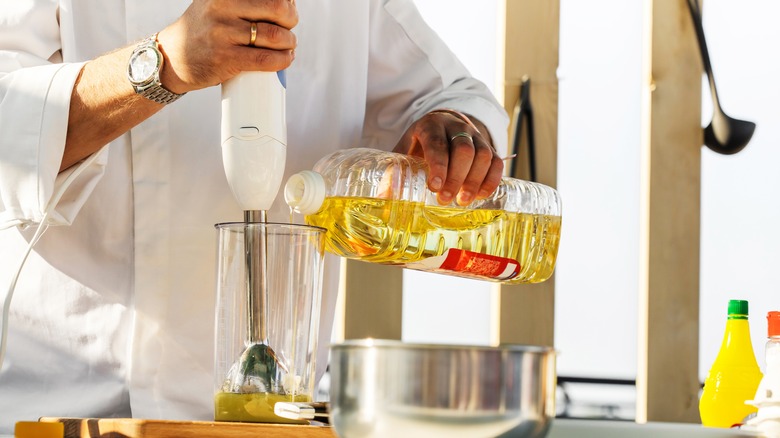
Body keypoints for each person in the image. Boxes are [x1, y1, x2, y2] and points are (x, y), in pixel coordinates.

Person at [0, 0, 508, 430]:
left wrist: (452, 131)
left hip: (269, 425)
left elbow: (451, 96)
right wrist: (163, 64)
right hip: (64, 412)